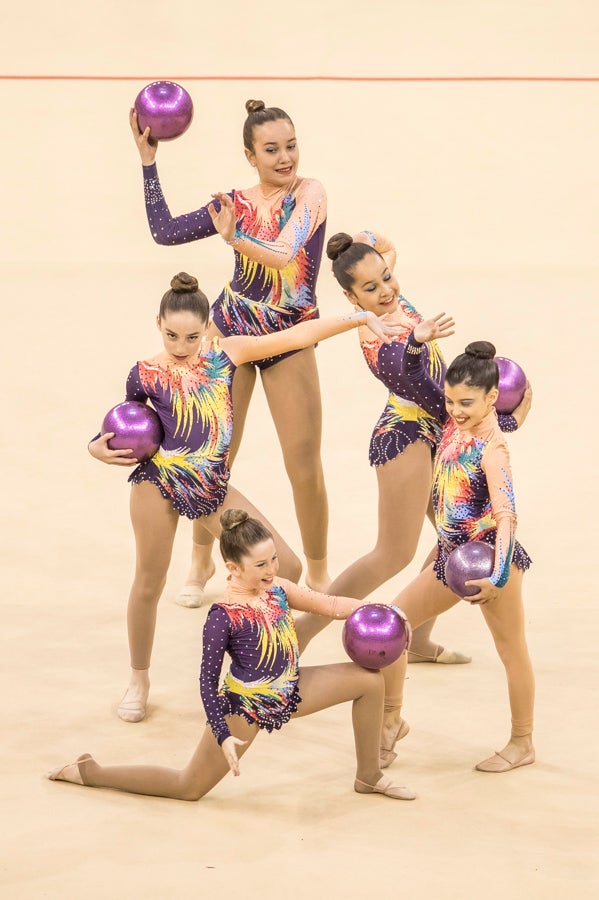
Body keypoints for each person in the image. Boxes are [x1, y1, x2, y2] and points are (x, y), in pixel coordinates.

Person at [89, 271, 403, 724]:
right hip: (158, 482)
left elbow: (297, 335)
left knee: (286, 566)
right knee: (149, 582)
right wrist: (94, 447)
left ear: (208, 327)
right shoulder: (145, 373)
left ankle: (260, 659)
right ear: (158, 323)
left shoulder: (227, 354)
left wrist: (357, 319)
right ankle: (139, 679)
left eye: (192, 336)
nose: (181, 345)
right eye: (172, 335)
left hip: (211, 486)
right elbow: (126, 425)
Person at [47, 510, 415, 802]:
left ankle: (369, 776)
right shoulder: (223, 616)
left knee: (369, 681)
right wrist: (222, 734)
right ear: (233, 568)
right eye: (261, 565)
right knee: (188, 787)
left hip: (291, 689)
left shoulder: (279, 589)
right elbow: (207, 683)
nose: (272, 570)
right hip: (245, 707)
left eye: (273, 559)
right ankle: (92, 772)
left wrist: (385, 612)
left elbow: (330, 604)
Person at [294, 232, 531, 683]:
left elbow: (384, 250)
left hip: (439, 433)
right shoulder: (380, 340)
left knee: (453, 536)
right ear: (351, 298)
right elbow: (427, 391)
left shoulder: (391, 299)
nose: (386, 290)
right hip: (407, 437)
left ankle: (418, 639)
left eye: (387, 277)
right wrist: (506, 418)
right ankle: (303, 632)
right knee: (392, 552)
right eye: (370, 288)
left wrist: (363, 244)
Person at [130, 98, 332, 602]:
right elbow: (164, 231)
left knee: (303, 463)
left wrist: (235, 238)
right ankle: (201, 559)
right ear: (250, 155)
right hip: (230, 331)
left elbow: (283, 254)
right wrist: (149, 163)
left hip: (287, 335)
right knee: (214, 458)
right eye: (272, 149)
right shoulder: (234, 203)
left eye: (291, 146)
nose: (285, 157)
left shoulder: (310, 193)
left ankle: (319, 573)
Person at [380, 314, 535, 772]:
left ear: (492, 397)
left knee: (512, 650)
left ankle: (522, 742)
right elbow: (412, 376)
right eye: (450, 400)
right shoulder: (454, 422)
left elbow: (507, 517)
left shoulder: (494, 450)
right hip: (451, 557)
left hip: (490, 560)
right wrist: (415, 341)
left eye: (466, 402)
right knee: (394, 626)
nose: (455, 409)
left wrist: (498, 575)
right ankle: (391, 722)